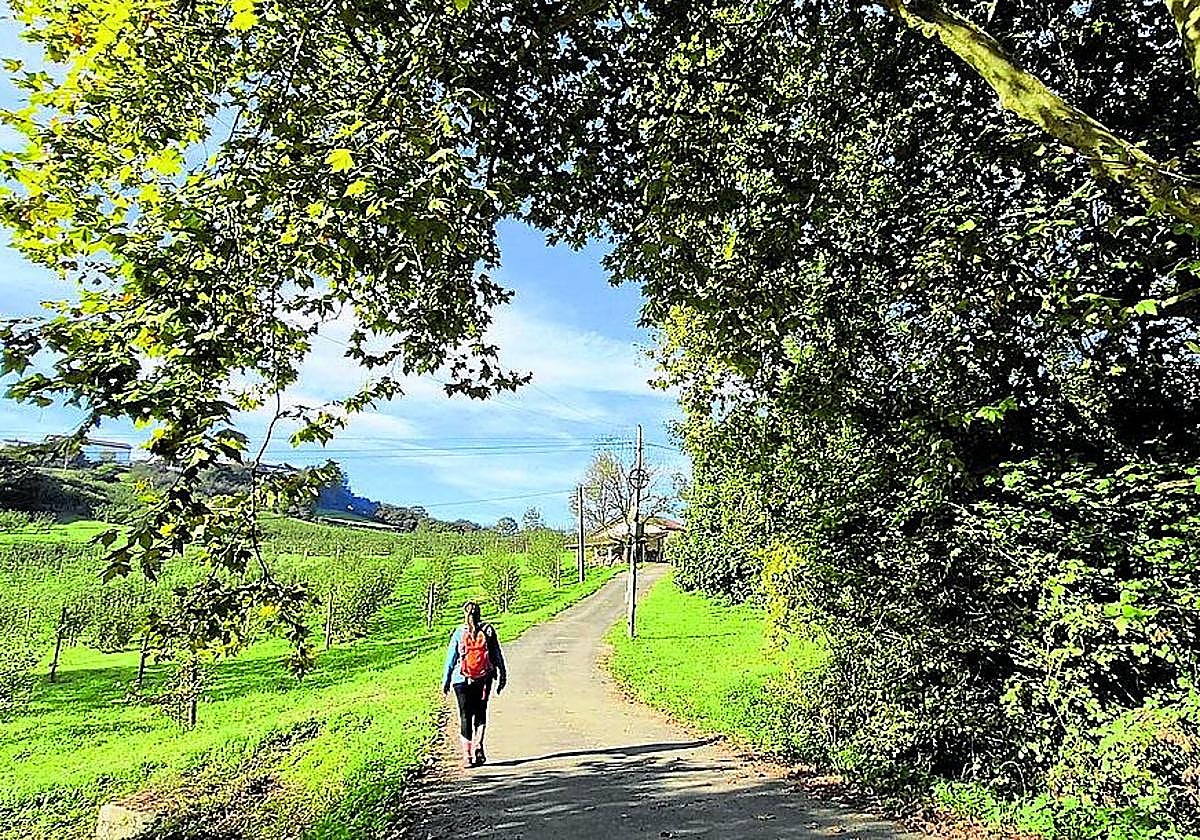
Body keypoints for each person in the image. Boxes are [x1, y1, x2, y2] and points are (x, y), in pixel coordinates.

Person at [442, 600, 507, 767]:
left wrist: (446, 681)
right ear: (480, 614)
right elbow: (496, 655)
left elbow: (451, 659)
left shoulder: (458, 632)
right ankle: (478, 744)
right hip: (483, 678)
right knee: (480, 712)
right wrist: (502, 675)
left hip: (460, 679)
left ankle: (467, 755)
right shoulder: (488, 630)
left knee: (464, 716)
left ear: (465, 615)